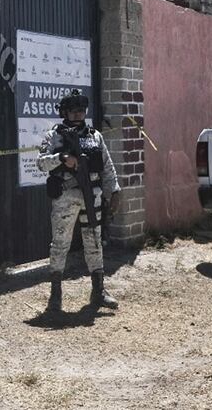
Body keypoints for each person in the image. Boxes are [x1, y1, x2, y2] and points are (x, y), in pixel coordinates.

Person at [37, 89, 121, 313]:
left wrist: (114, 191)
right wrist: (62, 158)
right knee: (60, 244)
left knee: (94, 241)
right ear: (64, 112)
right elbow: (41, 163)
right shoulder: (54, 136)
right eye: (73, 110)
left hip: (91, 196)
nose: (78, 114)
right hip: (66, 196)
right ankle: (55, 296)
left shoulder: (94, 136)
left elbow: (107, 166)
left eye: (81, 110)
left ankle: (99, 290)